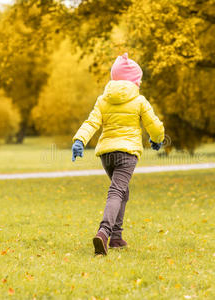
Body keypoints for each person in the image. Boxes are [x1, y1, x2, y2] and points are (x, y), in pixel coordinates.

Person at [71, 53, 165, 255]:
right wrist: (157, 140)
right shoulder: (139, 100)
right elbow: (154, 125)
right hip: (127, 153)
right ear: (136, 81)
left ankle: (116, 238)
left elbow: (91, 123)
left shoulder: (103, 100)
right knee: (116, 191)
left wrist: (80, 140)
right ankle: (104, 233)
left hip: (107, 155)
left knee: (121, 191)